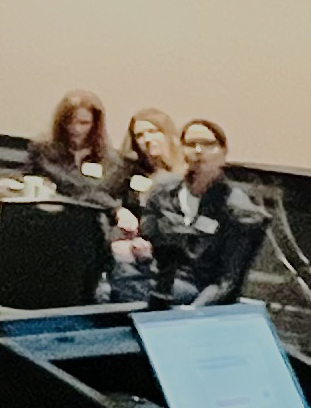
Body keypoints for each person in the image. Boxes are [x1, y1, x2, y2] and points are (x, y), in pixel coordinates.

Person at [109, 118, 260, 304]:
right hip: (154, 276)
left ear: (223, 152)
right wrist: (137, 250)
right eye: (191, 144)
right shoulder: (162, 192)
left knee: (127, 292)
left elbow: (227, 281)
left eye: (207, 144)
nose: (198, 151)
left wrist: (193, 313)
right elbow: (149, 243)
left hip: (196, 288)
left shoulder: (237, 208)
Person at [27, 90, 113, 191]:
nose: (77, 129)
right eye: (70, 122)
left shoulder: (108, 159)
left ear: (96, 125)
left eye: (84, 123)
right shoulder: (42, 151)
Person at [108, 108, 184, 202]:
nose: (147, 139)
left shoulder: (188, 168)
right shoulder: (131, 174)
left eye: (152, 131)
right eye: (139, 135)